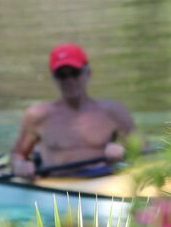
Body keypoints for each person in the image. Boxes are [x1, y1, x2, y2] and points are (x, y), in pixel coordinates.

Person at [10, 44, 136, 178]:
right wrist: (20, 165)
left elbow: (146, 153)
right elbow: (17, 155)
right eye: (61, 75)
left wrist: (124, 153)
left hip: (104, 182)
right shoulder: (38, 115)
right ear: (54, 78)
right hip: (56, 187)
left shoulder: (114, 112)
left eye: (75, 73)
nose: (69, 80)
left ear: (88, 73)